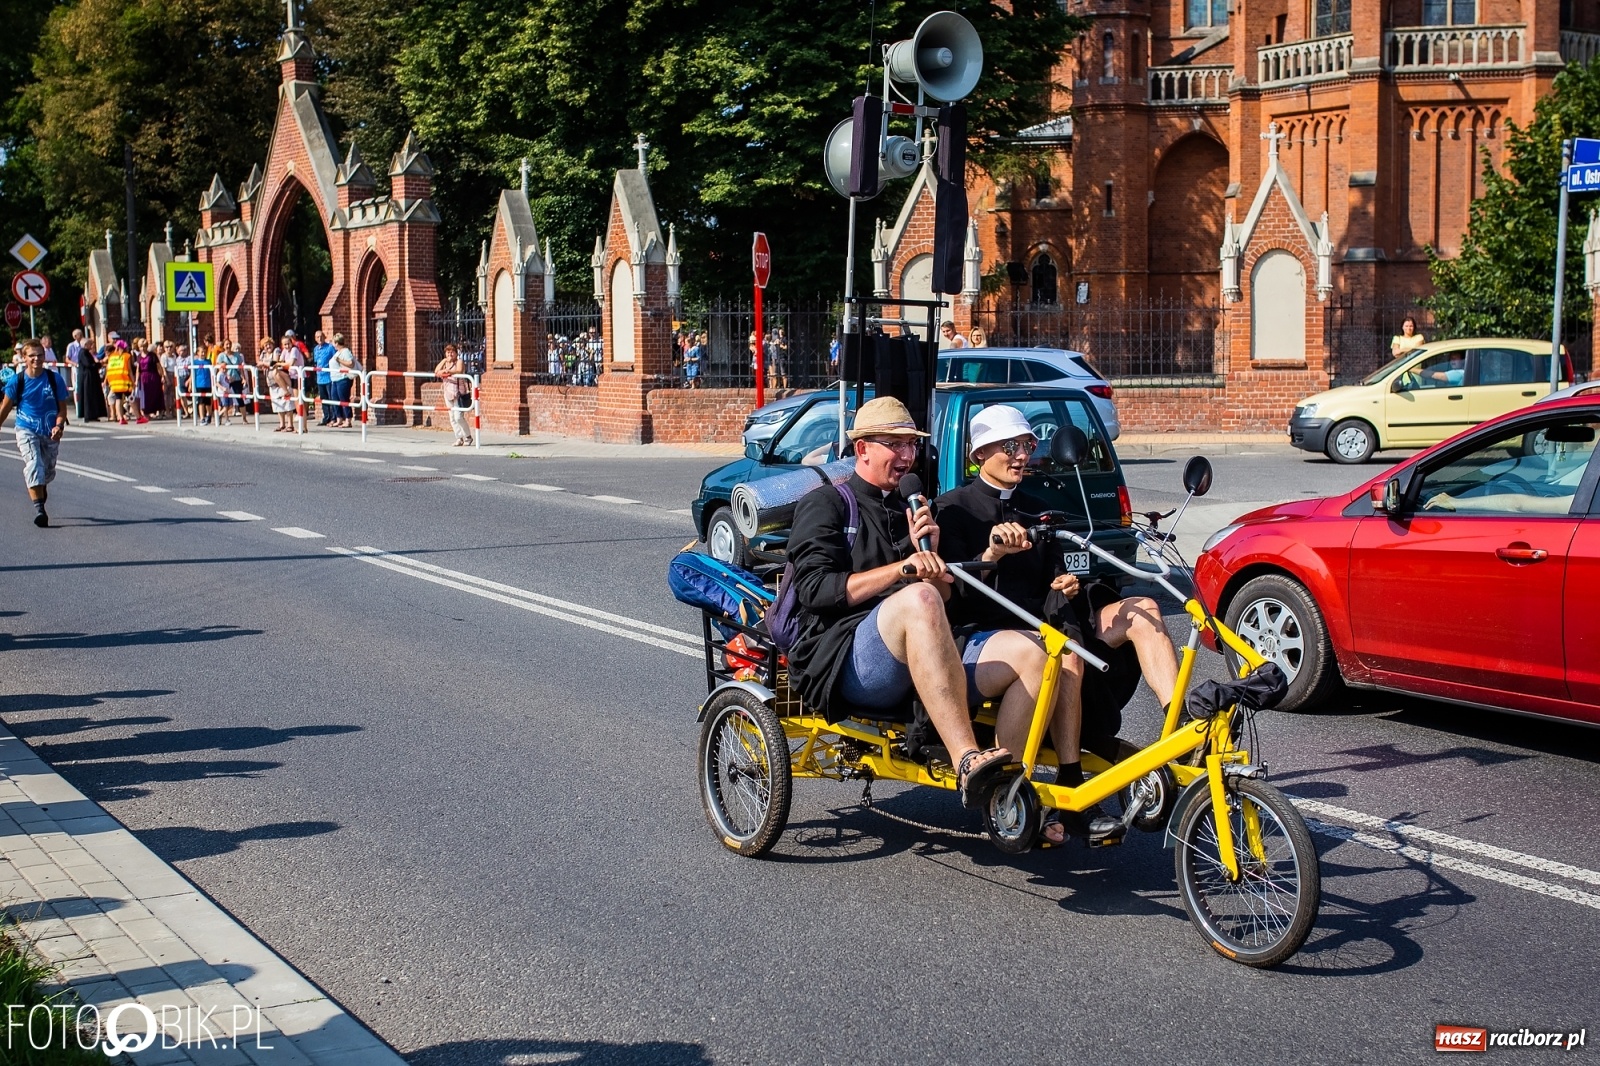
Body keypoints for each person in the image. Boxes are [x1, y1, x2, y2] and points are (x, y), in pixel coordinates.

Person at [936, 405, 1180, 843]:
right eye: (1011, 446)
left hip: (1049, 613)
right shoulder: (953, 510)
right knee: (1063, 653)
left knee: (1143, 607)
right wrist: (992, 557)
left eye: (1028, 445)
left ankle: (1181, 729)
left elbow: (1059, 576)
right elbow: (955, 599)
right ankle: (1071, 779)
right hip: (990, 631)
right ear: (979, 454)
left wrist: (1067, 582)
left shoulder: (1039, 507)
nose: (1022, 455)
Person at [786, 396, 1015, 809]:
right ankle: (967, 758)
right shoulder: (827, 504)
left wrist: (932, 558)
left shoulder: (912, 508)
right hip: (845, 658)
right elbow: (817, 590)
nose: (907, 455)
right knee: (919, 596)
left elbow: (942, 599)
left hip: (915, 648)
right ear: (862, 449)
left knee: (1032, 651)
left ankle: (1010, 797)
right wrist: (904, 571)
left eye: (911, 445)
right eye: (895, 444)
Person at [0, 340, 70, 527]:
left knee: (46, 472)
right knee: (33, 464)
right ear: (24, 358)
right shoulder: (18, 380)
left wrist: (59, 427)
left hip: (49, 431)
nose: (36, 359)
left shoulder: (54, 379)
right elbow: (5, 408)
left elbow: (62, 410)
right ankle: (40, 510)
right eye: (32, 356)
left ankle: (41, 488)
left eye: (39, 355)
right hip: (26, 428)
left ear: (44, 356)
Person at [434, 343, 473, 446]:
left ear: (456, 353)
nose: (450, 354)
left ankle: (468, 437)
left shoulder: (459, 361)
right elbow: (436, 370)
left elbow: (459, 370)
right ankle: (459, 438)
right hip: (448, 392)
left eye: (452, 352)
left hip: (458, 392)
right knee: (452, 417)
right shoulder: (445, 363)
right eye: (448, 352)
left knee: (458, 417)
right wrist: (444, 361)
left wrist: (449, 371)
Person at [75, 330, 108, 423]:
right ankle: (89, 415)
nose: (92, 346)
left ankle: (93, 414)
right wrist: (99, 364)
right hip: (87, 377)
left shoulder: (86, 352)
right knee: (89, 396)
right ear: (85, 345)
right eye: (90, 344)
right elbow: (88, 364)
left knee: (92, 396)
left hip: (90, 376)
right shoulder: (83, 353)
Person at [327, 333, 357, 427]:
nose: (332, 344)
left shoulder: (345, 351)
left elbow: (351, 363)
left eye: (333, 342)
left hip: (343, 379)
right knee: (335, 399)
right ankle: (339, 418)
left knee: (343, 399)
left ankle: (348, 419)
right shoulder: (337, 352)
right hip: (335, 379)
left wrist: (339, 360)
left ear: (336, 343)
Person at [103, 339, 136, 424]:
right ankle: (139, 417)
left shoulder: (112, 357)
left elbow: (108, 368)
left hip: (114, 382)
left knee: (118, 399)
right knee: (131, 398)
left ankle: (121, 418)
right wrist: (133, 381)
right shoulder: (126, 356)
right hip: (124, 381)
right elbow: (129, 370)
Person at [136, 339, 163, 422]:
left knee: (155, 394)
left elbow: (158, 366)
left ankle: (156, 412)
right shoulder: (139, 356)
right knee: (145, 397)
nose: (143, 348)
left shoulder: (152, 355)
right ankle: (146, 413)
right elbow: (138, 369)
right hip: (143, 378)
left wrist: (162, 376)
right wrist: (136, 380)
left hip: (153, 377)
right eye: (141, 347)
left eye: (144, 346)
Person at [312, 330, 335, 426]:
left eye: (321, 336)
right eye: (317, 337)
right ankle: (326, 417)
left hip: (328, 377)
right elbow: (316, 361)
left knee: (331, 398)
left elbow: (335, 359)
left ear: (324, 337)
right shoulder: (316, 349)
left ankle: (333, 418)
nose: (319, 338)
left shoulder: (330, 347)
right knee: (323, 399)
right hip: (320, 377)